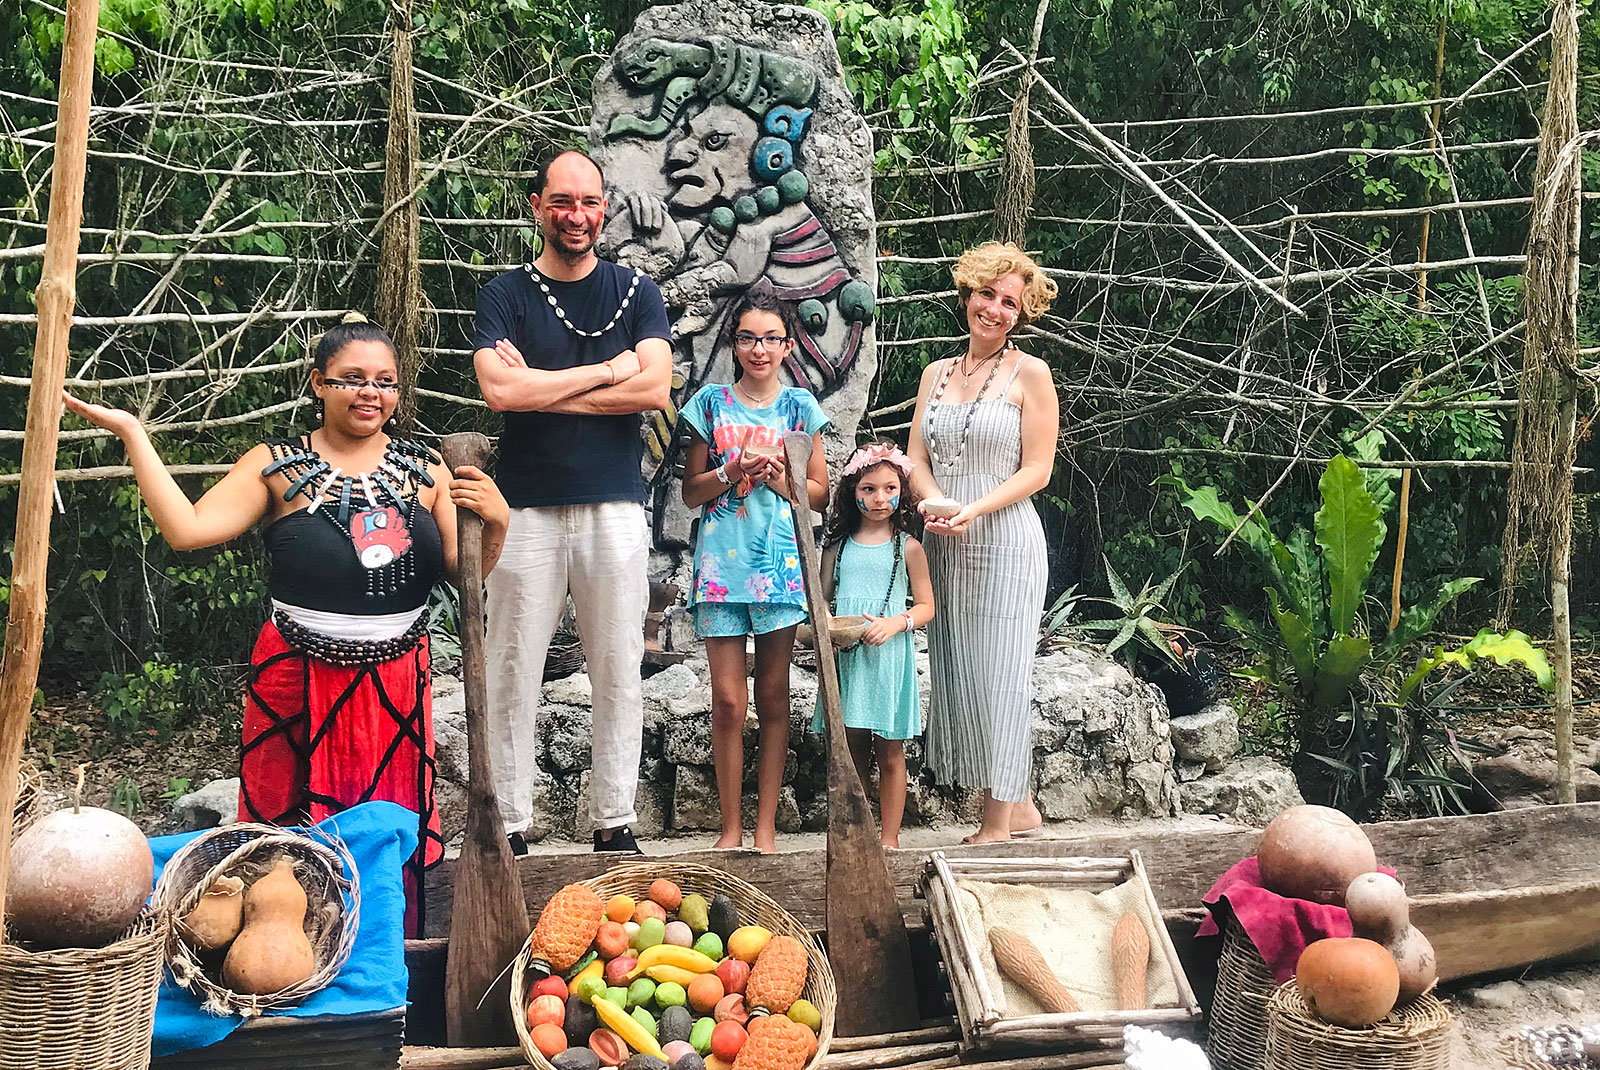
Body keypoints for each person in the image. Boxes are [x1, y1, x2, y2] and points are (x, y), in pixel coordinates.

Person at [63, 314, 508, 935]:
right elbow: (186, 530)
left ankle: (387, 961)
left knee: (388, 830)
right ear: (318, 384)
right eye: (351, 379)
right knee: (285, 840)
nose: (370, 393)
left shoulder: (427, 471)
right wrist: (135, 435)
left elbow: (466, 578)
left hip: (397, 682)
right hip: (296, 676)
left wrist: (500, 523)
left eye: (385, 381)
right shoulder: (275, 467)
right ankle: (287, 967)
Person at [472, 150, 673, 854]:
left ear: (605, 209)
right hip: (522, 508)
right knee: (511, 671)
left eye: (589, 202)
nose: (577, 215)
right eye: (562, 201)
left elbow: (654, 391)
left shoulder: (637, 292)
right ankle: (510, 827)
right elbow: (501, 394)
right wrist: (609, 370)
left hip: (613, 505)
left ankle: (614, 822)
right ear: (536, 206)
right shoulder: (505, 295)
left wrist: (548, 388)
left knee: (618, 667)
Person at [905, 241, 1060, 845]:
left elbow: (1037, 469)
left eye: (1009, 303)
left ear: (1022, 314)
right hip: (945, 537)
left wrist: (974, 507)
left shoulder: (1031, 374)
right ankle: (1016, 802)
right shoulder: (934, 375)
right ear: (967, 293)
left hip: (1005, 538)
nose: (994, 309)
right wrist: (934, 502)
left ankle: (996, 825)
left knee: (1003, 671)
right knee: (962, 669)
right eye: (986, 294)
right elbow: (916, 456)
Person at [679, 288, 828, 853]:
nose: (759, 348)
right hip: (720, 571)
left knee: (771, 696)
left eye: (770, 338)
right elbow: (692, 494)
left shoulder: (801, 409)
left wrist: (772, 478)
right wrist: (731, 469)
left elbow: (818, 494)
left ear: (788, 345)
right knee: (726, 700)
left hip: (780, 569)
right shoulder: (708, 406)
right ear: (734, 343)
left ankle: (764, 829)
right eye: (748, 337)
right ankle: (730, 828)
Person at [814, 442, 934, 848]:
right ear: (852, 491)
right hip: (849, 658)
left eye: (888, 488)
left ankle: (890, 838)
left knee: (890, 751)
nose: (879, 498)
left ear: (902, 491)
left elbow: (926, 607)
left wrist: (896, 623)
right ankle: (856, 832)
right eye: (867, 488)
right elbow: (821, 599)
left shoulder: (909, 548)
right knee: (851, 750)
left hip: (887, 658)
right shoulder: (837, 548)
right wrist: (829, 621)